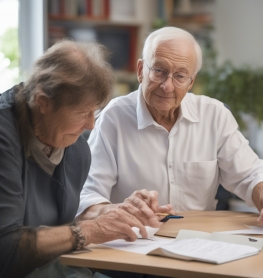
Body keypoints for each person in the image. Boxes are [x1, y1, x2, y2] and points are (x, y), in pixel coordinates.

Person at [78, 26, 263, 229]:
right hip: (136, 243)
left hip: (200, 243)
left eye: (180, 76)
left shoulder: (214, 115)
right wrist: (121, 213)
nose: (167, 86)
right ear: (141, 70)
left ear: (191, 82)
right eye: (159, 71)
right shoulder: (113, 118)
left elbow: (250, 175)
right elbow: (88, 196)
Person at [0, 40, 172, 278]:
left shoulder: (75, 147)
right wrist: (89, 231)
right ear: (43, 103)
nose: (91, 125)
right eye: (83, 112)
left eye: (95, 111)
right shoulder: (4, 137)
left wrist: (117, 213)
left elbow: (60, 225)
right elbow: (6, 250)